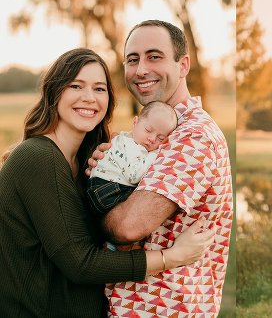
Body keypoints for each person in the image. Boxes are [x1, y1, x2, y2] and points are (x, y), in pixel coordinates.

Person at [0, 48, 214, 317]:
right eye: (76, 86)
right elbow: (80, 262)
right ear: (55, 92)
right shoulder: (38, 158)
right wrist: (171, 257)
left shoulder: (90, 163)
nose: (89, 98)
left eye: (100, 89)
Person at [86, 20, 233, 317]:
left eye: (154, 56)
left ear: (183, 65)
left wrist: (91, 209)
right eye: (132, 59)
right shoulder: (149, 135)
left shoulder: (193, 137)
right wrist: (105, 174)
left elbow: (127, 227)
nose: (141, 70)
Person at [87, 101, 177, 251]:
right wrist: (156, 154)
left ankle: (111, 245)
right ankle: (119, 247)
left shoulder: (124, 138)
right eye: (148, 130)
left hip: (101, 188)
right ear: (135, 122)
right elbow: (134, 175)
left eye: (161, 138)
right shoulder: (134, 147)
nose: (152, 139)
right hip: (107, 190)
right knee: (139, 201)